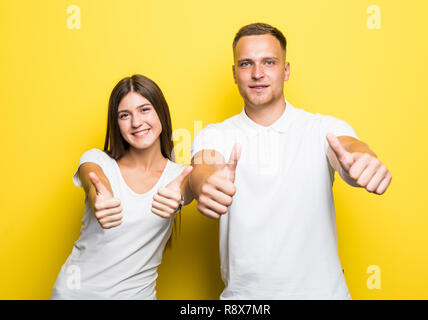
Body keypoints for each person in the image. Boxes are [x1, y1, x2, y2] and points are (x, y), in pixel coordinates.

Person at [188, 23, 392, 299]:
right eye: (246, 64)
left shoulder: (322, 128)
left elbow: (348, 148)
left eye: (269, 62)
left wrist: (361, 159)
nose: (257, 73)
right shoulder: (215, 135)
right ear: (235, 74)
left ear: (285, 70)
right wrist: (206, 182)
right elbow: (204, 165)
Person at [51, 74, 193, 300]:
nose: (136, 122)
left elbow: (199, 183)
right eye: (124, 115)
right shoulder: (98, 161)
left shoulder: (180, 176)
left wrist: (188, 189)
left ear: (161, 113)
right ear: (116, 123)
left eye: (145, 109)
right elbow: (93, 179)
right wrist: (99, 194)